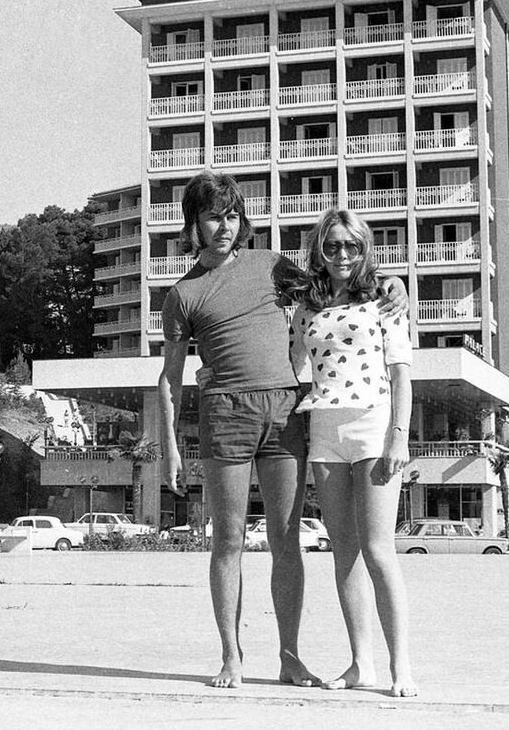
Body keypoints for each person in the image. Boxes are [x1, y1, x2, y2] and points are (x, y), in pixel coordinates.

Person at [158, 171, 406, 689]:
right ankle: (231, 655)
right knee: (226, 540)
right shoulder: (182, 295)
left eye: (230, 215)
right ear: (194, 224)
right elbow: (170, 376)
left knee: (286, 538)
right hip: (224, 413)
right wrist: (169, 449)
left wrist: (391, 282)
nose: (223, 227)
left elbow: (334, 285)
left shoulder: (271, 265)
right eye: (211, 217)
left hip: (286, 412)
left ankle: (289, 656)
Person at [289, 208, 417, 698]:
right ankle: (361, 663)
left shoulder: (384, 301)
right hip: (323, 429)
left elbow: (402, 373)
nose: (343, 254)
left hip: (373, 424)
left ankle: (400, 665)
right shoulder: (307, 307)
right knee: (343, 552)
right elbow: (295, 365)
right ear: (319, 249)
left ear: (366, 251)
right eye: (333, 245)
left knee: (378, 549)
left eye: (353, 246)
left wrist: (398, 437)